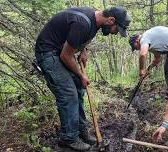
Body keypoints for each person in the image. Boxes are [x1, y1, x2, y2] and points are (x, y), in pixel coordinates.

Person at [34, 6, 131, 151]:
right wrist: (81, 75)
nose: (115, 33)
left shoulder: (95, 20)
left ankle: (81, 132)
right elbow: (66, 56)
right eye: (117, 29)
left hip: (61, 51)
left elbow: (79, 37)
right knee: (68, 94)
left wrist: (84, 50)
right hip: (49, 53)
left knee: (78, 89)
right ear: (111, 20)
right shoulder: (83, 23)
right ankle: (69, 139)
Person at [129, 26, 168, 96]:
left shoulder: (144, 38)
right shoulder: (149, 43)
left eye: (134, 47)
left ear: (137, 41)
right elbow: (157, 59)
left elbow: (143, 54)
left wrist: (141, 70)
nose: (136, 49)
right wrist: (147, 70)